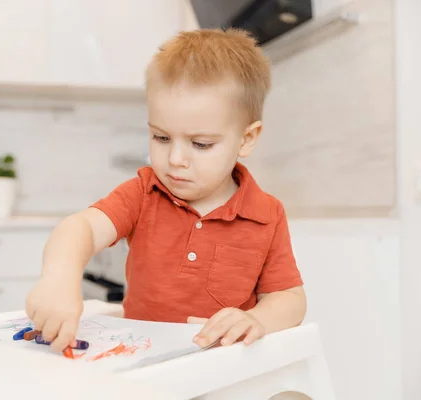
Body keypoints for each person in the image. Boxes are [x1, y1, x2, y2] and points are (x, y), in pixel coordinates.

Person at [25, 28, 306, 353]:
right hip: (143, 366)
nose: (175, 159)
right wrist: (59, 279)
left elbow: (289, 299)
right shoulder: (144, 193)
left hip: (221, 371)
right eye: (161, 138)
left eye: (200, 144)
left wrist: (257, 319)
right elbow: (80, 228)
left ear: (247, 139)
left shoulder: (267, 214)